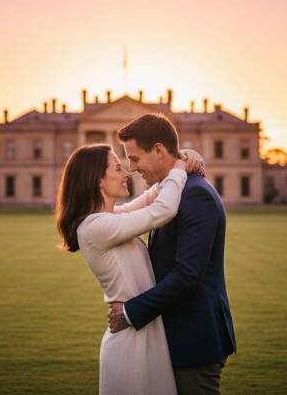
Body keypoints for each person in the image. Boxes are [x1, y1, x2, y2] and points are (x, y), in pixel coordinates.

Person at [55, 143, 205, 395]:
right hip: (130, 341)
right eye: (117, 168)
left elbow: (149, 199)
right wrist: (179, 168)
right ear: (97, 180)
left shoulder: (108, 219)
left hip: (144, 329)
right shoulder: (95, 226)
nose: (126, 173)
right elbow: (162, 210)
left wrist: (181, 157)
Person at [108, 113, 236, 395]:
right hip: (176, 336)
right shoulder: (171, 191)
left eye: (135, 158)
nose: (131, 168)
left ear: (158, 150)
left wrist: (130, 312)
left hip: (194, 338)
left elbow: (187, 275)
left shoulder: (195, 195)